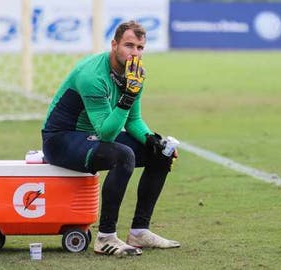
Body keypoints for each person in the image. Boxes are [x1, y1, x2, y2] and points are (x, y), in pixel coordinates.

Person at [41, 21, 180, 257]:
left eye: (140, 47)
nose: (134, 53)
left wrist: (151, 140)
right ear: (114, 44)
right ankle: (105, 237)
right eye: (128, 45)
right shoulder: (92, 75)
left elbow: (133, 120)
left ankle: (139, 231)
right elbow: (107, 134)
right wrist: (128, 96)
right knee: (122, 155)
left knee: (161, 154)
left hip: (94, 135)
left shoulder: (136, 73)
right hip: (61, 140)